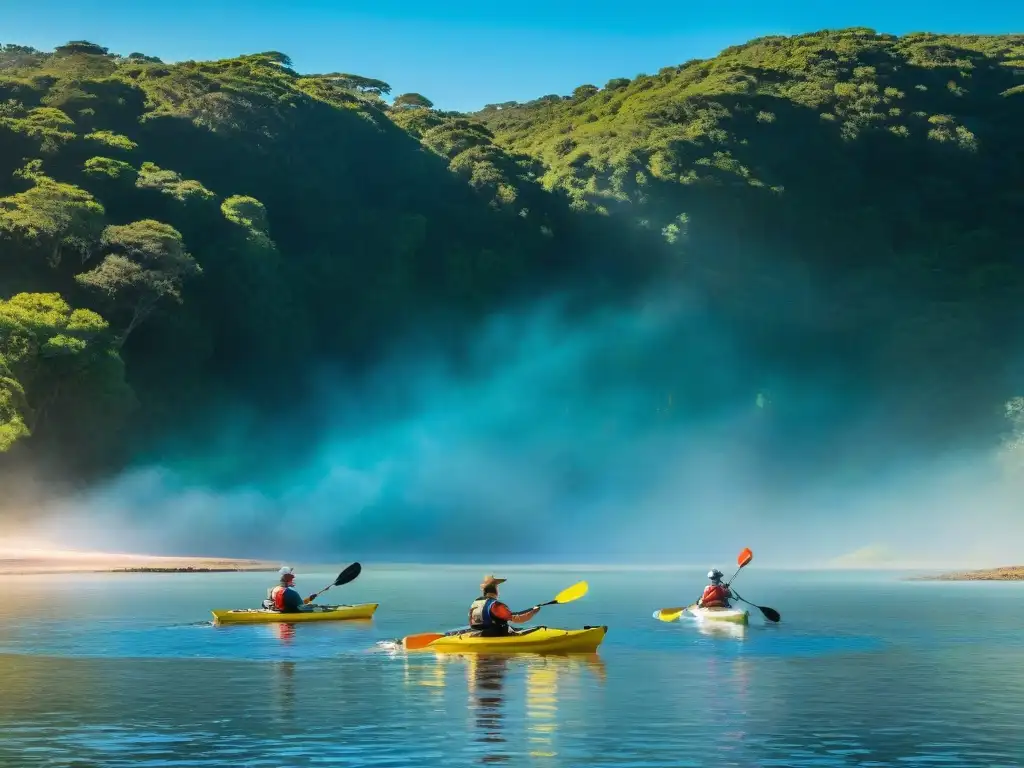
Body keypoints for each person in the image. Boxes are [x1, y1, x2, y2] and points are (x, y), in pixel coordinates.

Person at [468, 575, 541, 636]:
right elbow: (517, 618)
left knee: (512, 628)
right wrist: (533, 611)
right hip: (496, 635)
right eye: (497, 587)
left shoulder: (476, 602)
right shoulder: (496, 605)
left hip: (481, 633)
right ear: (496, 590)